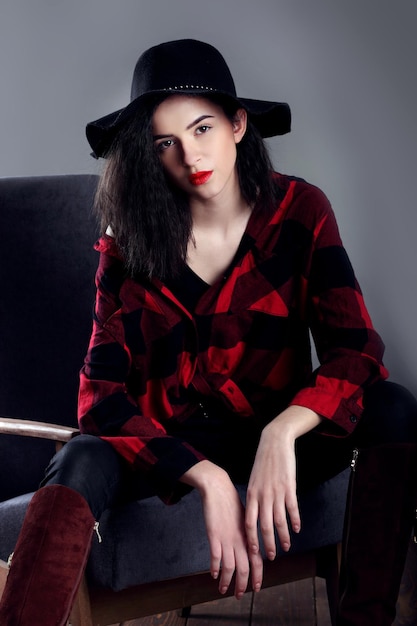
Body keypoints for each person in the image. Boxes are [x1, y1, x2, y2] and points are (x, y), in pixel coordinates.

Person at [1, 38, 416, 626]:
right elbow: (102, 401)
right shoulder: (128, 246)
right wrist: (206, 477)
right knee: (82, 457)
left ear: (239, 124)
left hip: (279, 428)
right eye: (165, 143)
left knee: (393, 407)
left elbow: (357, 351)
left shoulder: (301, 211)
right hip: (171, 446)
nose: (189, 156)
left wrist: (283, 432)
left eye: (202, 129)